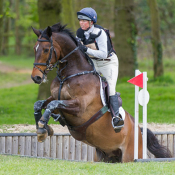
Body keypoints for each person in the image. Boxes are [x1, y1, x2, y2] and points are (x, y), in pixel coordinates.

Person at [76, 7, 124, 132]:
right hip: (93, 63)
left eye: (84, 21)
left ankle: (116, 118)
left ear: (91, 22)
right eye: (80, 20)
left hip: (108, 63)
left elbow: (103, 54)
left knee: (111, 88)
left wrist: (86, 50)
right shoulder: (79, 33)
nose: (81, 23)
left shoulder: (100, 33)